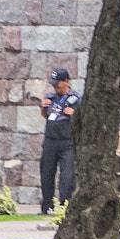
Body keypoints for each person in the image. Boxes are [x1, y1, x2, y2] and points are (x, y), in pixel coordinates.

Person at [36, 67, 79, 214]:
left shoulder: (76, 99)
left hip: (67, 142)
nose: (55, 86)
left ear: (66, 81)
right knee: (47, 174)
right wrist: (43, 108)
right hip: (50, 141)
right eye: (53, 83)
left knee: (67, 176)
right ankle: (47, 206)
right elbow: (47, 116)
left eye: (58, 83)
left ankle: (64, 206)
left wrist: (74, 114)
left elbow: (83, 121)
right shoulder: (50, 98)